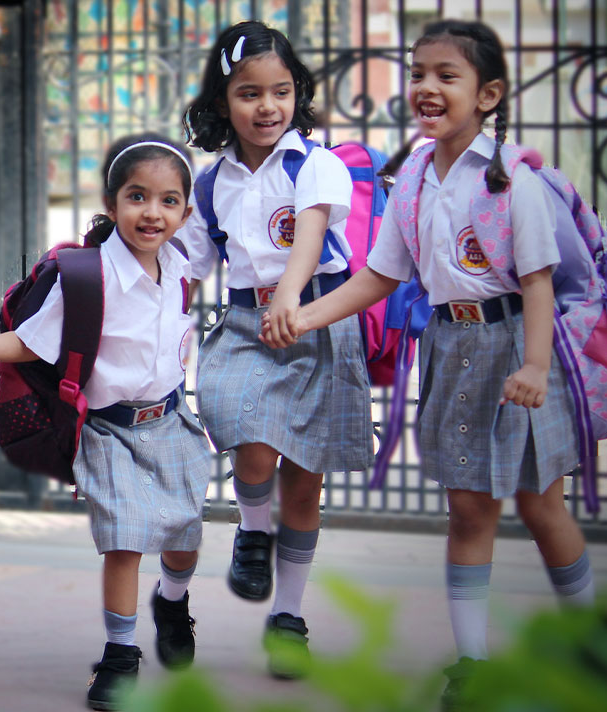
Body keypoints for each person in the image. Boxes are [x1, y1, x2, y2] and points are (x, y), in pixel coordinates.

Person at [280, 19, 597, 709]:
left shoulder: (513, 181)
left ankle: (594, 646)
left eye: (446, 76)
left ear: (488, 95)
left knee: (541, 506)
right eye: (418, 73)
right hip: (451, 349)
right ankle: (472, 662)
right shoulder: (415, 177)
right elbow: (380, 276)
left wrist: (536, 366)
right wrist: (305, 315)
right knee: (467, 510)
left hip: (517, 345)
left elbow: (538, 282)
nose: (426, 87)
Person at [0, 134, 211, 711]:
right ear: (112, 203)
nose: (152, 213)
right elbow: (27, 344)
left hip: (170, 420)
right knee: (124, 542)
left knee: (184, 535)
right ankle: (120, 655)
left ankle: (172, 601)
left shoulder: (181, 263)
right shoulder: (86, 276)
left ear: (185, 214)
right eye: (137, 196)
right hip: (109, 429)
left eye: (168, 201)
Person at [178, 20, 371, 677]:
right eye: (249, 93)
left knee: (305, 482)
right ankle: (253, 529)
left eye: (281, 91)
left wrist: (290, 297)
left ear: (297, 94)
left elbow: (311, 234)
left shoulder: (314, 164)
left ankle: (288, 617)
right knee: (247, 436)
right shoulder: (211, 182)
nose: (267, 106)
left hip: (316, 320)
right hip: (244, 325)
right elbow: (189, 263)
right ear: (222, 100)